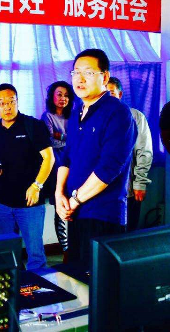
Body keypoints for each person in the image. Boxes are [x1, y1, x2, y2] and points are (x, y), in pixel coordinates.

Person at [56, 49, 136, 267]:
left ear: (105, 77)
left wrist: (74, 200)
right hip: (76, 213)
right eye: (76, 72)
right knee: (76, 276)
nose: (80, 79)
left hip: (103, 214)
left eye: (89, 73)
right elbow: (67, 157)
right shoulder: (77, 111)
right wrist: (59, 194)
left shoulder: (118, 113)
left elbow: (108, 168)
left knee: (99, 281)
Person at [0, 83, 54, 270]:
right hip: (3, 203)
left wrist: (36, 186)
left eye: (11, 101)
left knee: (35, 255)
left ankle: (38, 287)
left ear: (17, 101)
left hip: (30, 204)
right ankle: (14, 287)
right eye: (1, 103)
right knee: (7, 254)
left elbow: (49, 158)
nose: (7, 107)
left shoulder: (33, 126)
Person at [106, 76, 153, 232]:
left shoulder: (135, 116)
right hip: (101, 191)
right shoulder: (95, 118)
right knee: (105, 235)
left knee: (128, 231)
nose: (107, 97)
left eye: (111, 93)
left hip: (128, 188)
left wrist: (140, 182)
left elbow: (144, 151)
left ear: (119, 95)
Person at [41, 81, 75, 253]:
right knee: (60, 208)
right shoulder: (47, 116)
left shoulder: (74, 115)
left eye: (66, 95)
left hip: (74, 165)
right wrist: (68, 139)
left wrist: (60, 135)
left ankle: (75, 246)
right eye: (59, 94)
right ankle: (65, 248)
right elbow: (49, 141)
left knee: (74, 204)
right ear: (52, 97)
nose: (63, 98)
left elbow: (78, 139)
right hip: (55, 167)